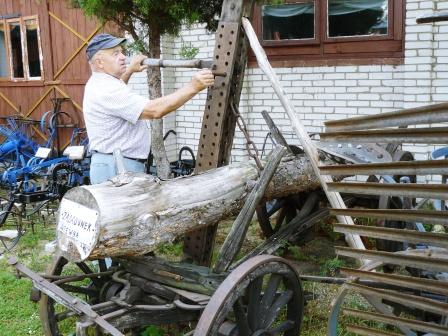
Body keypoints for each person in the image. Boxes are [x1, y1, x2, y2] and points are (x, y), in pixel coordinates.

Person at [83, 33, 214, 184]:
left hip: (116, 163)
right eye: (115, 54)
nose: (123, 57)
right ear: (100, 62)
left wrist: (130, 70)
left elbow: (117, 103)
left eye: (122, 52)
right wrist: (193, 87)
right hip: (116, 167)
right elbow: (154, 110)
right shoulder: (107, 88)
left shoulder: (103, 83)